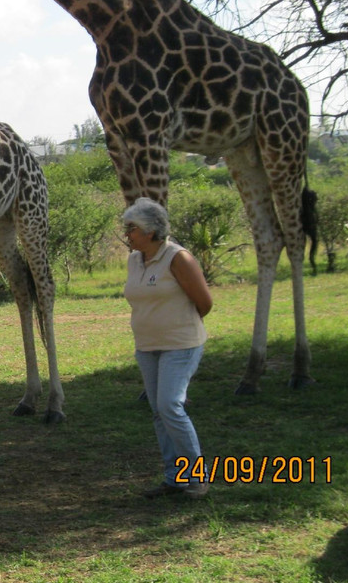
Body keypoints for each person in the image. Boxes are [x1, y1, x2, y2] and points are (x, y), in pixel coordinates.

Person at [122, 197, 213, 499]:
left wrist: (177, 325)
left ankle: (198, 478)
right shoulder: (134, 259)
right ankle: (175, 477)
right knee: (159, 411)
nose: (127, 234)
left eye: (132, 228)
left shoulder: (178, 258)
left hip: (181, 345)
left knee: (170, 405)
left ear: (150, 230)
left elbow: (205, 303)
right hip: (147, 346)